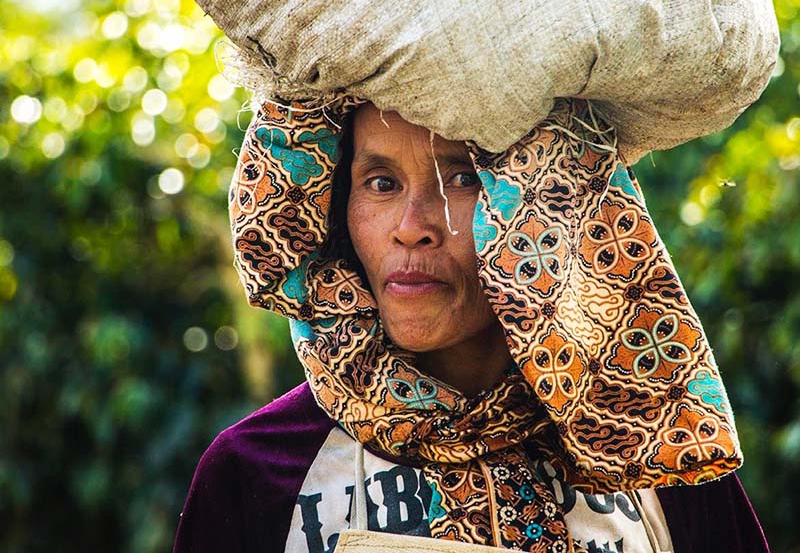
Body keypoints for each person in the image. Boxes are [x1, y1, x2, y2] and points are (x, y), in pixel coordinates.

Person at [173, 97, 769, 553]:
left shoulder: (655, 448)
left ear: (541, 210)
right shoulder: (257, 474)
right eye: (380, 183)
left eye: (461, 178)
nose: (412, 226)